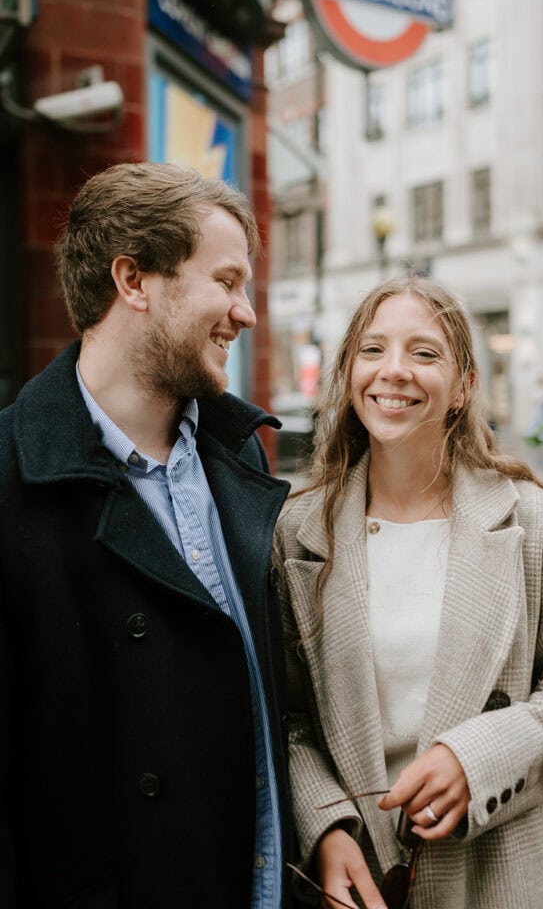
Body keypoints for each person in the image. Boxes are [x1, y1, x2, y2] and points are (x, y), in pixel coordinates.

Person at [0, 162, 295, 908]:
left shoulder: (240, 450)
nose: (246, 312)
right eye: (226, 282)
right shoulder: (10, 474)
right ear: (134, 280)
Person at [274, 277, 543, 909]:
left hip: (498, 875)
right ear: (349, 372)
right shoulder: (298, 530)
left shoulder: (535, 522)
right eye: (372, 350)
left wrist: (477, 759)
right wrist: (327, 828)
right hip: (359, 881)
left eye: (424, 353)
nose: (394, 371)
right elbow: (286, 717)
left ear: (463, 386)